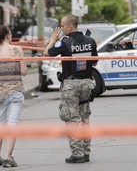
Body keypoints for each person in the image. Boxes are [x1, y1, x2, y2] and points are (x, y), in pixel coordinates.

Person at [43, 15, 98, 164]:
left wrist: (53, 39)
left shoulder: (65, 42)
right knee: (84, 117)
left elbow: (46, 53)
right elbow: (94, 62)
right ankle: (86, 153)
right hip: (87, 83)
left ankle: (78, 154)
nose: (60, 29)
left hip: (71, 85)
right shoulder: (90, 41)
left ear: (69, 27)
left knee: (72, 119)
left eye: (62, 26)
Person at [0, 25, 27, 168]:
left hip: (0, 92)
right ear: (7, 35)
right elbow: (23, 71)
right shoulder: (17, 50)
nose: (11, 36)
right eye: (10, 34)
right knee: (12, 125)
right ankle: (8, 157)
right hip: (16, 90)